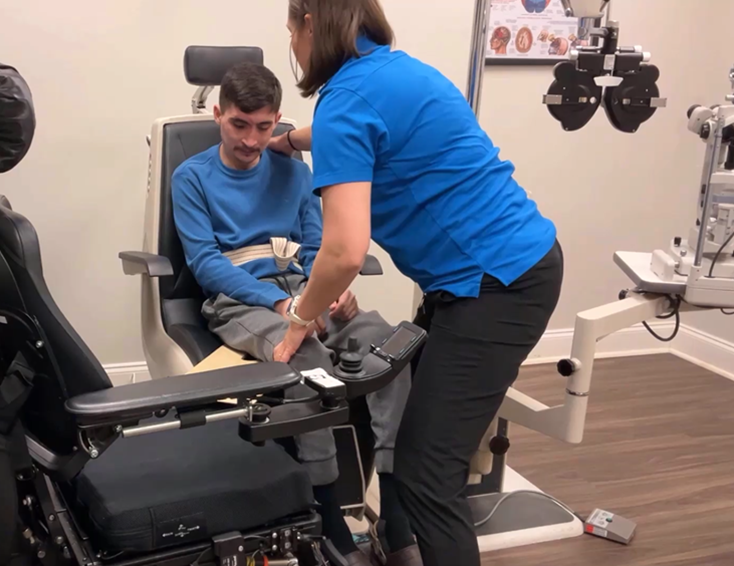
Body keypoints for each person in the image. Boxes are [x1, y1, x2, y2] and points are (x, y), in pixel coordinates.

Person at [269, 2, 565, 566]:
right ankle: (400, 540)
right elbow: (362, 128)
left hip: (496, 286)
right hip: (509, 265)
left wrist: (299, 319)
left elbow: (342, 252)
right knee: (413, 440)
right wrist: (290, 140)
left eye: (291, 31)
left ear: (310, 22)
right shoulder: (397, 71)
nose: (294, 45)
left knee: (431, 474)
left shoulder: (346, 101)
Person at [172, 62, 412, 566]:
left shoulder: (295, 171)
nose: (251, 140)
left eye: (263, 127)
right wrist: (285, 306)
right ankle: (326, 516)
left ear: (278, 120)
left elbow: (313, 247)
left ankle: (393, 508)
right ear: (219, 114)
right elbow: (206, 265)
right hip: (241, 303)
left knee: (391, 346)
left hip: (305, 296)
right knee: (308, 359)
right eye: (240, 124)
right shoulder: (191, 178)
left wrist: (329, 291)